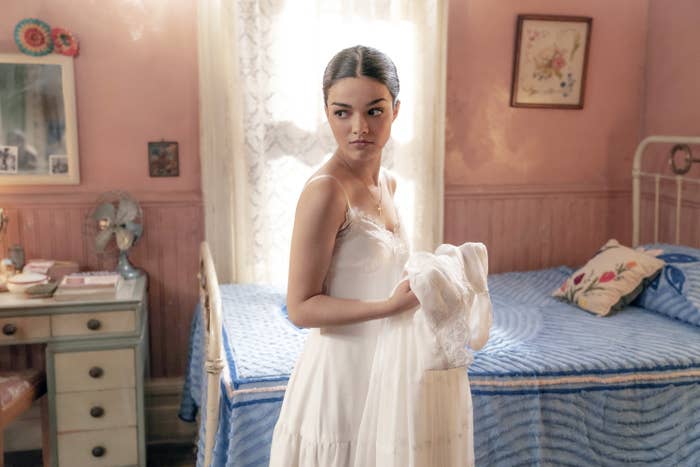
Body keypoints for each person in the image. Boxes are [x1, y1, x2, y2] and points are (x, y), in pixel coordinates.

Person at [268, 45, 419, 466]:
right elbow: (300, 307)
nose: (359, 128)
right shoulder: (325, 191)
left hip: (386, 368)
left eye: (374, 111)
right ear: (327, 113)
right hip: (342, 375)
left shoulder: (388, 183)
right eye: (342, 112)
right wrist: (389, 306)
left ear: (396, 110)